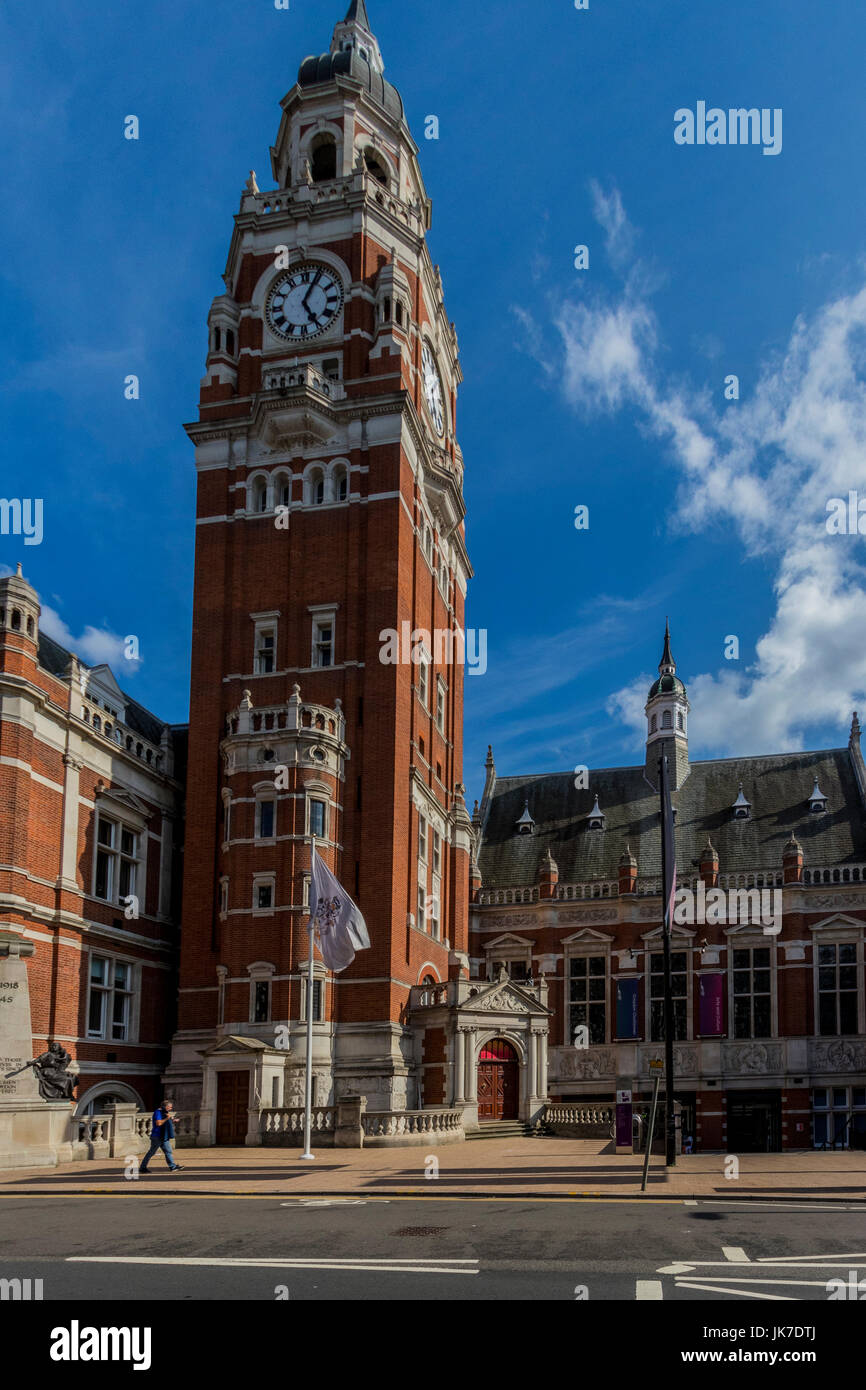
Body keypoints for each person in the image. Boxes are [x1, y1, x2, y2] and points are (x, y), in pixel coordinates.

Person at [139, 1100, 184, 1173]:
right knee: (151, 1152)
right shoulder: (158, 1112)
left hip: (164, 1136)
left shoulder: (164, 1112)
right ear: (165, 1106)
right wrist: (167, 1118)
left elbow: (166, 1120)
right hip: (157, 1136)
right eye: (170, 1107)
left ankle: (173, 1167)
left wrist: (173, 1120)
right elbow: (159, 1123)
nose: (171, 1108)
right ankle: (142, 1168)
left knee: (168, 1151)